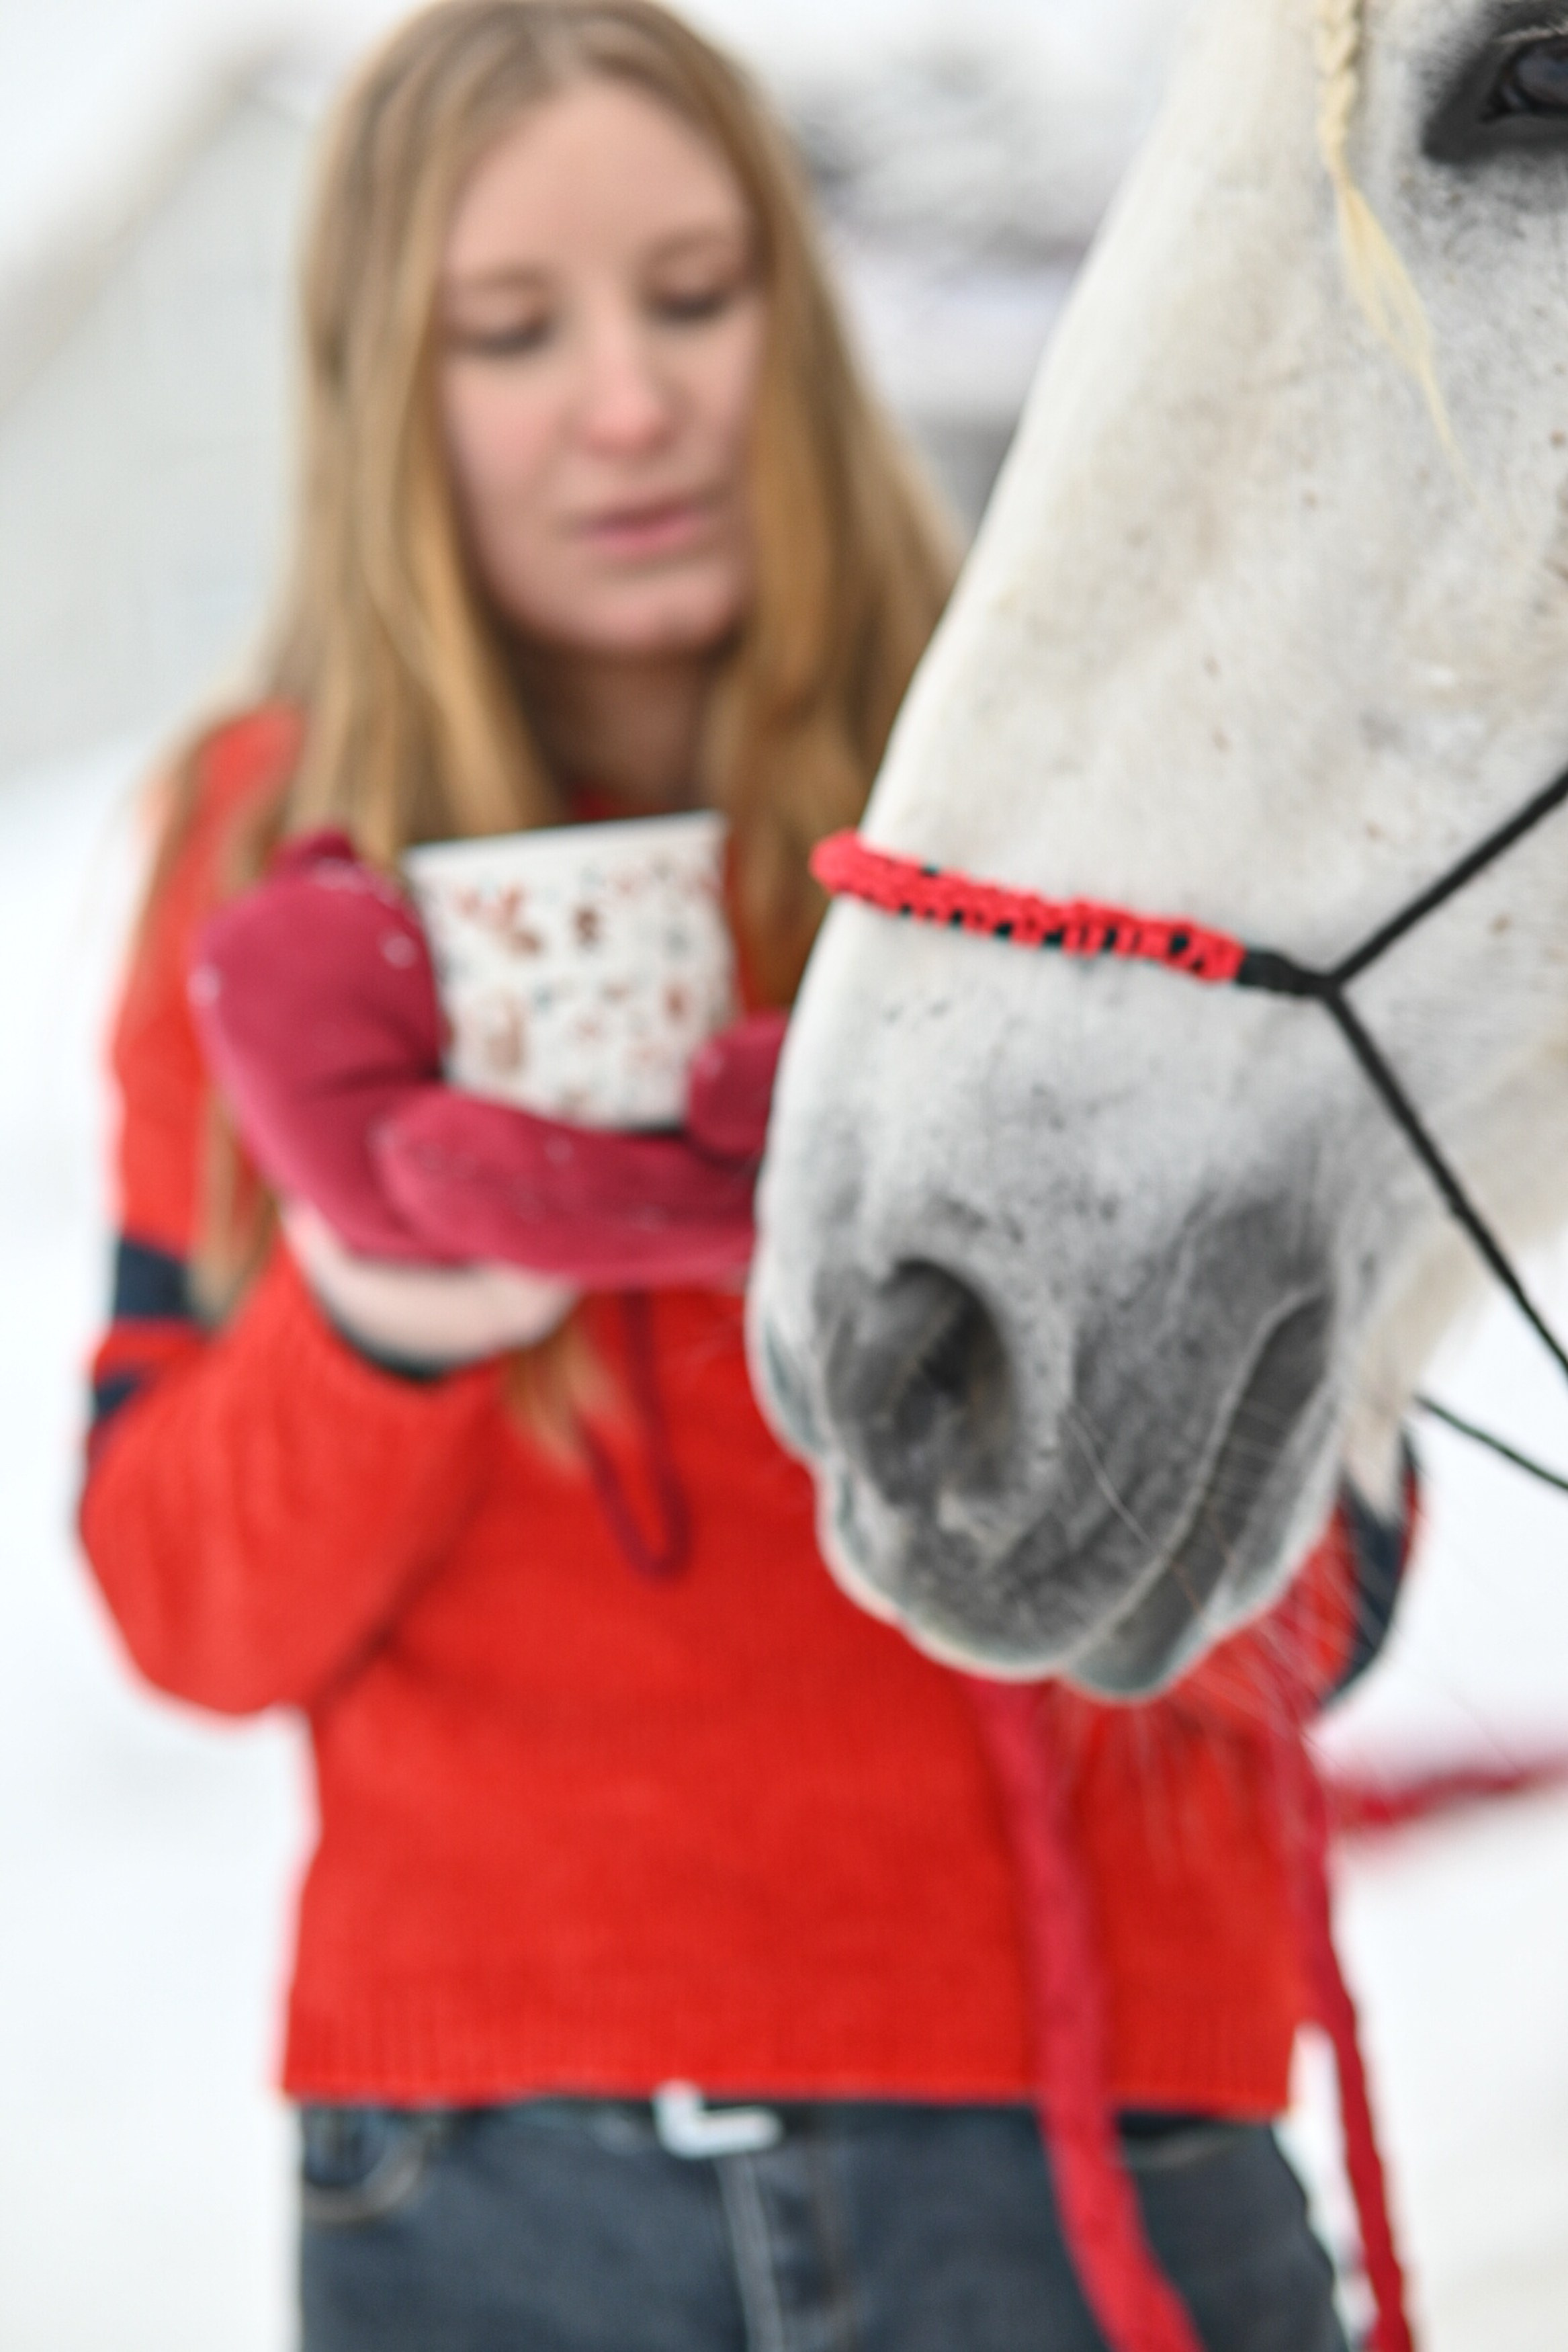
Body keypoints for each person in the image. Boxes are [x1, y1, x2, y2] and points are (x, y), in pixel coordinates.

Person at [79, 6, 1414, 2347]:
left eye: (694, 295)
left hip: (1082, 2147)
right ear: (380, 375)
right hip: (491, 2190)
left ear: (799, 312)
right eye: (514, 330)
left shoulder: (1056, 801)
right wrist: (407, 1298)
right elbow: (187, 1604)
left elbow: (1308, 1613)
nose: (628, 402)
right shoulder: (266, 876)